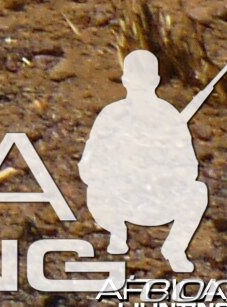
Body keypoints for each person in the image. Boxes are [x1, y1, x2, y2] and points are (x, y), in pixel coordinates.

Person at [78, 48, 209, 274]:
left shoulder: (169, 117)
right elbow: (88, 166)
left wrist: (161, 170)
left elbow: (189, 169)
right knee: (97, 189)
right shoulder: (112, 115)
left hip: (159, 201)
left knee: (198, 191)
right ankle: (117, 232)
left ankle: (175, 248)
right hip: (119, 200)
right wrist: (122, 170)